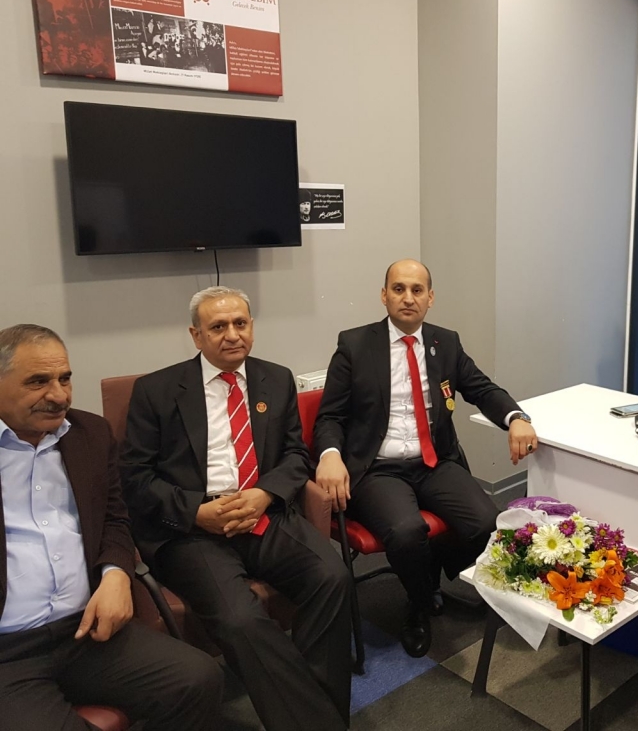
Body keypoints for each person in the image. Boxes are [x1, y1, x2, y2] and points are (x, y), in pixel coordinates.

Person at [120, 287, 352, 731]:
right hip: (193, 532)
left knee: (334, 577)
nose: (232, 335)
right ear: (196, 335)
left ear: (251, 327)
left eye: (240, 323)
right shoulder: (156, 390)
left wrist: (264, 494)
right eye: (218, 327)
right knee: (240, 619)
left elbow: (294, 456)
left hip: (263, 513)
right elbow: (135, 478)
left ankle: (310, 714)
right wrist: (196, 511)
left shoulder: (276, 378)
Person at [0, 324, 223, 731]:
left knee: (198, 679)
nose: (59, 395)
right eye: (38, 381)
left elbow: (115, 518)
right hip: (9, 650)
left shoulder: (89, 434)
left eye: (65, 378)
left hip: (85, 631)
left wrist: (117, 572)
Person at [314, 259, 539, 658]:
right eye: (398, 289)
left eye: (417, 290)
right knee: (405, 531)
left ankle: (435, 573)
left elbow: (481, 388)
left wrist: (517, 417)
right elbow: (330, 415)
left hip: (434, 462)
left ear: (430, 298)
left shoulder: (445, 342)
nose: (408, 298)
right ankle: (418, 603)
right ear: (383, 295)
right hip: (378, 468)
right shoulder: (354, 345)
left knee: (487, 522)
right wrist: (330, 455)